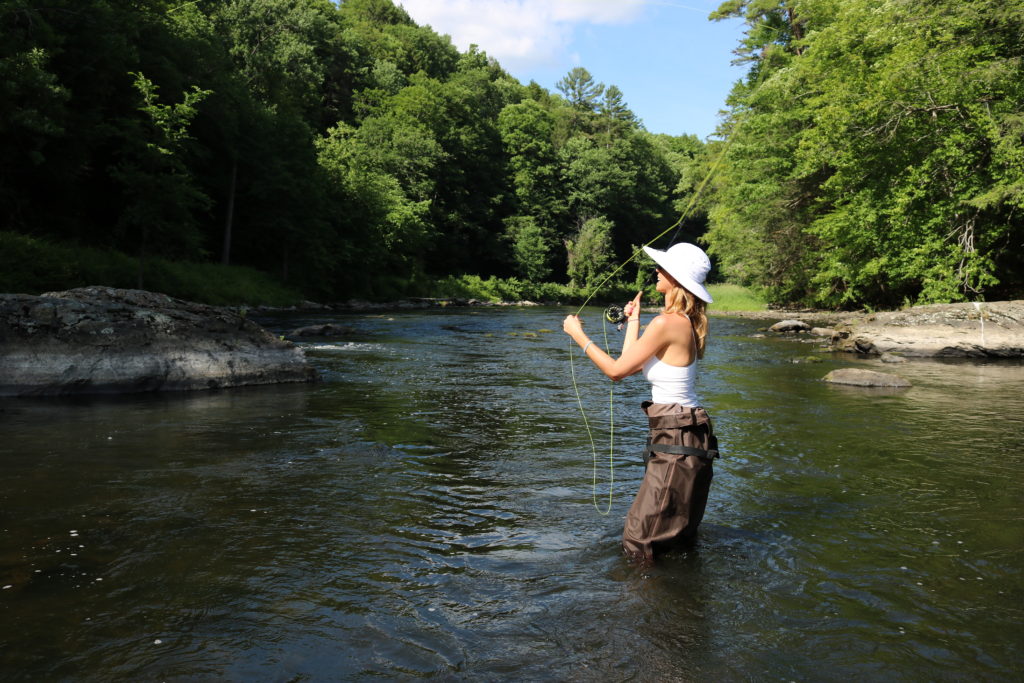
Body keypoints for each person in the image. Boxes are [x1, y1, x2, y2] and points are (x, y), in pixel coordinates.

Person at [562, 242, 719, 563]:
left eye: (662, 268)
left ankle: (646, 607)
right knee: (675, 536)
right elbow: (631, 363)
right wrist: (632, 322)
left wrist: (576, 334)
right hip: (683, 434)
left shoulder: (667, 323)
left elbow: (617, 372)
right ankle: (673, 602)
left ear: (676, 278)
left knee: (639, 539)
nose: (656, 271)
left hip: (677, 437)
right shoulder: (679, 321)